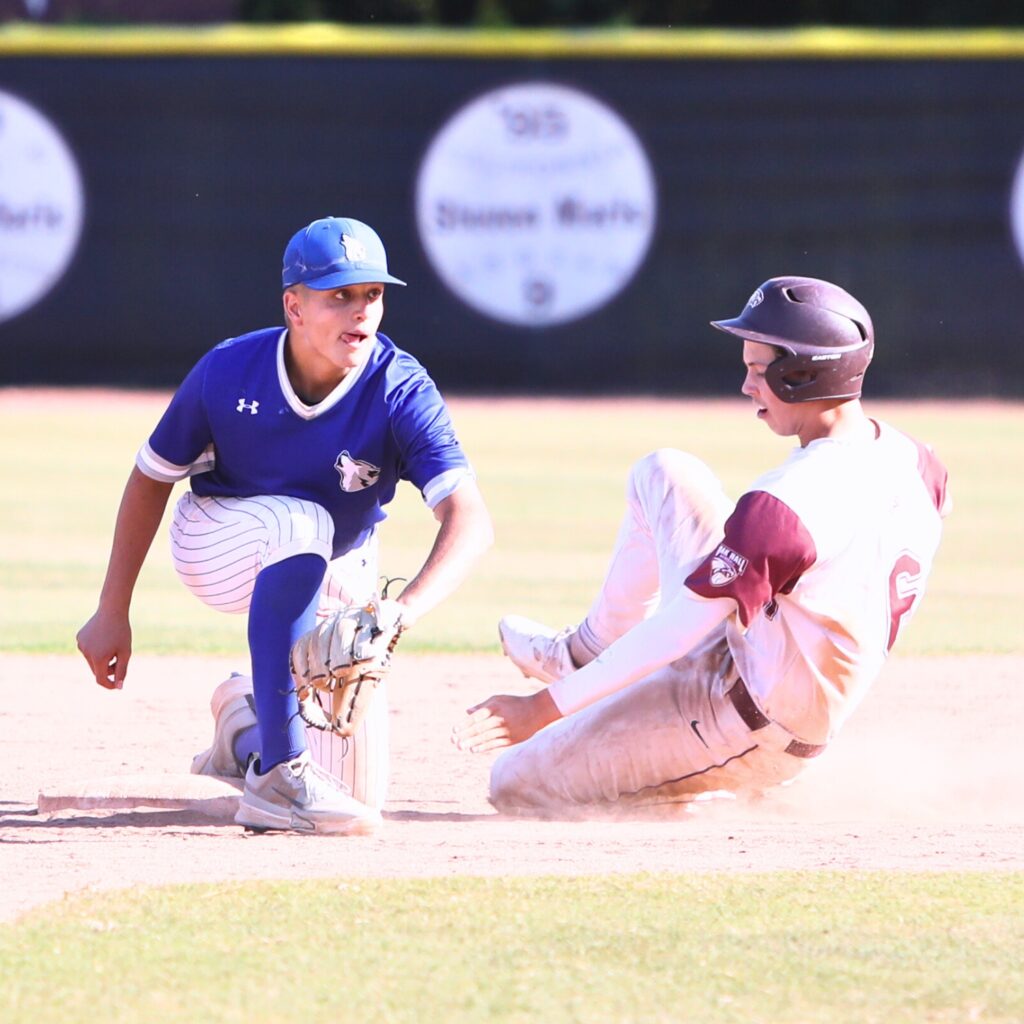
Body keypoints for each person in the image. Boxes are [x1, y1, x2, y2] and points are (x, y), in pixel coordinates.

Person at [453, 276, 949, 817]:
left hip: (750, 723)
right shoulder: (920, 465)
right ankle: (584, 655)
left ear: (802, 374)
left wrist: (540, 710)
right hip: (758, 643)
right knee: (664, 472)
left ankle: (721, 790)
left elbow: (673, 634)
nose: (746, 386)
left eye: (759, 370)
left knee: (516, 784)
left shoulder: (789, 503)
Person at [78, 216, 493, 835]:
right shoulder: (230, 370)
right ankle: (277, 775)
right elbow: (151, 477)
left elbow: (471, 520)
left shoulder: (400, 387)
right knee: (302, 522)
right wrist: (112, 607)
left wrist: (397, 613)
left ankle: (245, 729)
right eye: (339, 296)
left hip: (334, 560)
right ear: (294, 307)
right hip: (216, 539)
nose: (360, 312)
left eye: (372, 295)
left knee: (357, 796)